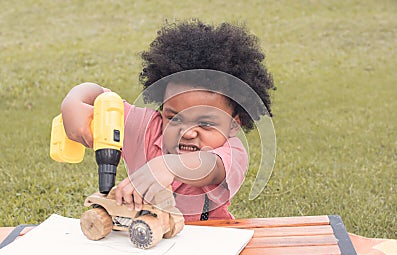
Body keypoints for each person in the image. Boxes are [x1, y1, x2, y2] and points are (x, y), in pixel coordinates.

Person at [61, 20, 275, 221]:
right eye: (174, 118)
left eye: (206, 123)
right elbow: (102, 99)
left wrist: (167, 166)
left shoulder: (232, 153)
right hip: (143, 240)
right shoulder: (147, 128)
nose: (188, 132)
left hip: (208, 243)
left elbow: (212, 168)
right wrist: (73, 102)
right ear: (162, 111)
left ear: (233, 125)